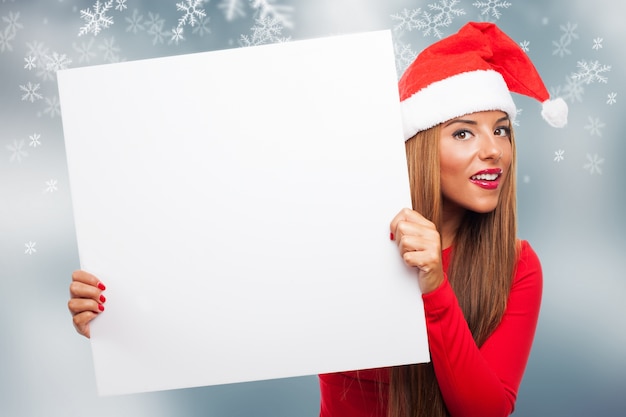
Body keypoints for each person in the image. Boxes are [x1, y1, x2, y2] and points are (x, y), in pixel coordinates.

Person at [68, 22, 567, 417]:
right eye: (464, 133)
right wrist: (125, 326)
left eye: (501, 130)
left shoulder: (518, 266)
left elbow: (485, 411)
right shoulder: (345, 236)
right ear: (419, 147)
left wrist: (435, 287)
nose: (493, 151)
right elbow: (231, 302)